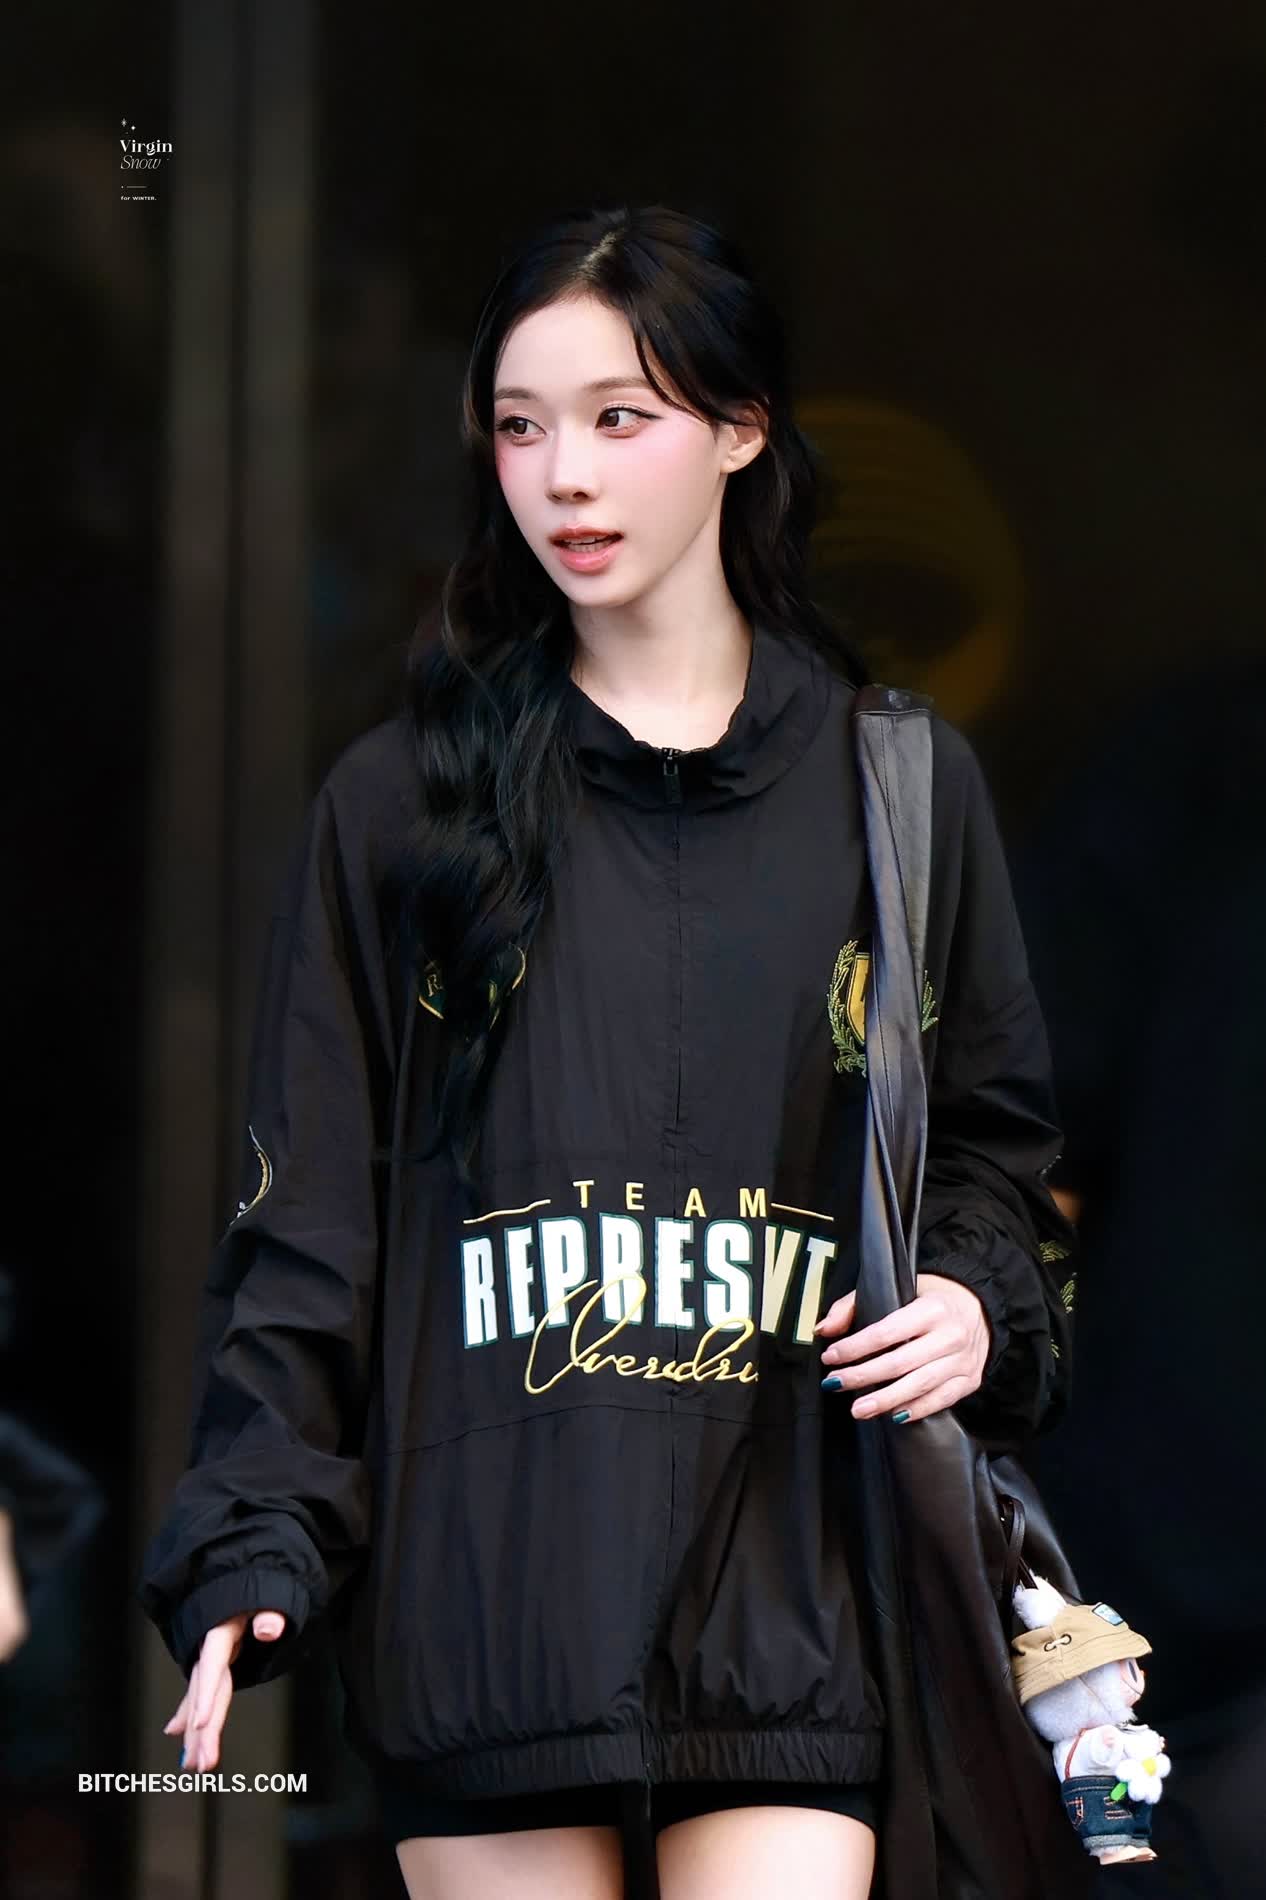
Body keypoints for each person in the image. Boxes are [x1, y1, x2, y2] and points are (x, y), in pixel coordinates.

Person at [138, 203, 1075, 1900]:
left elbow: (994, 1149)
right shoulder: (401, 805)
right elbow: (311, 1226)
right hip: (489, 1609)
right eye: (520, 426)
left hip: (798, 1602)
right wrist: (253, 1539)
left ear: (740, 428)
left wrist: (969, 1300)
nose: (563, 475)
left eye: (619, 418)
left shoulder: (895, 789)